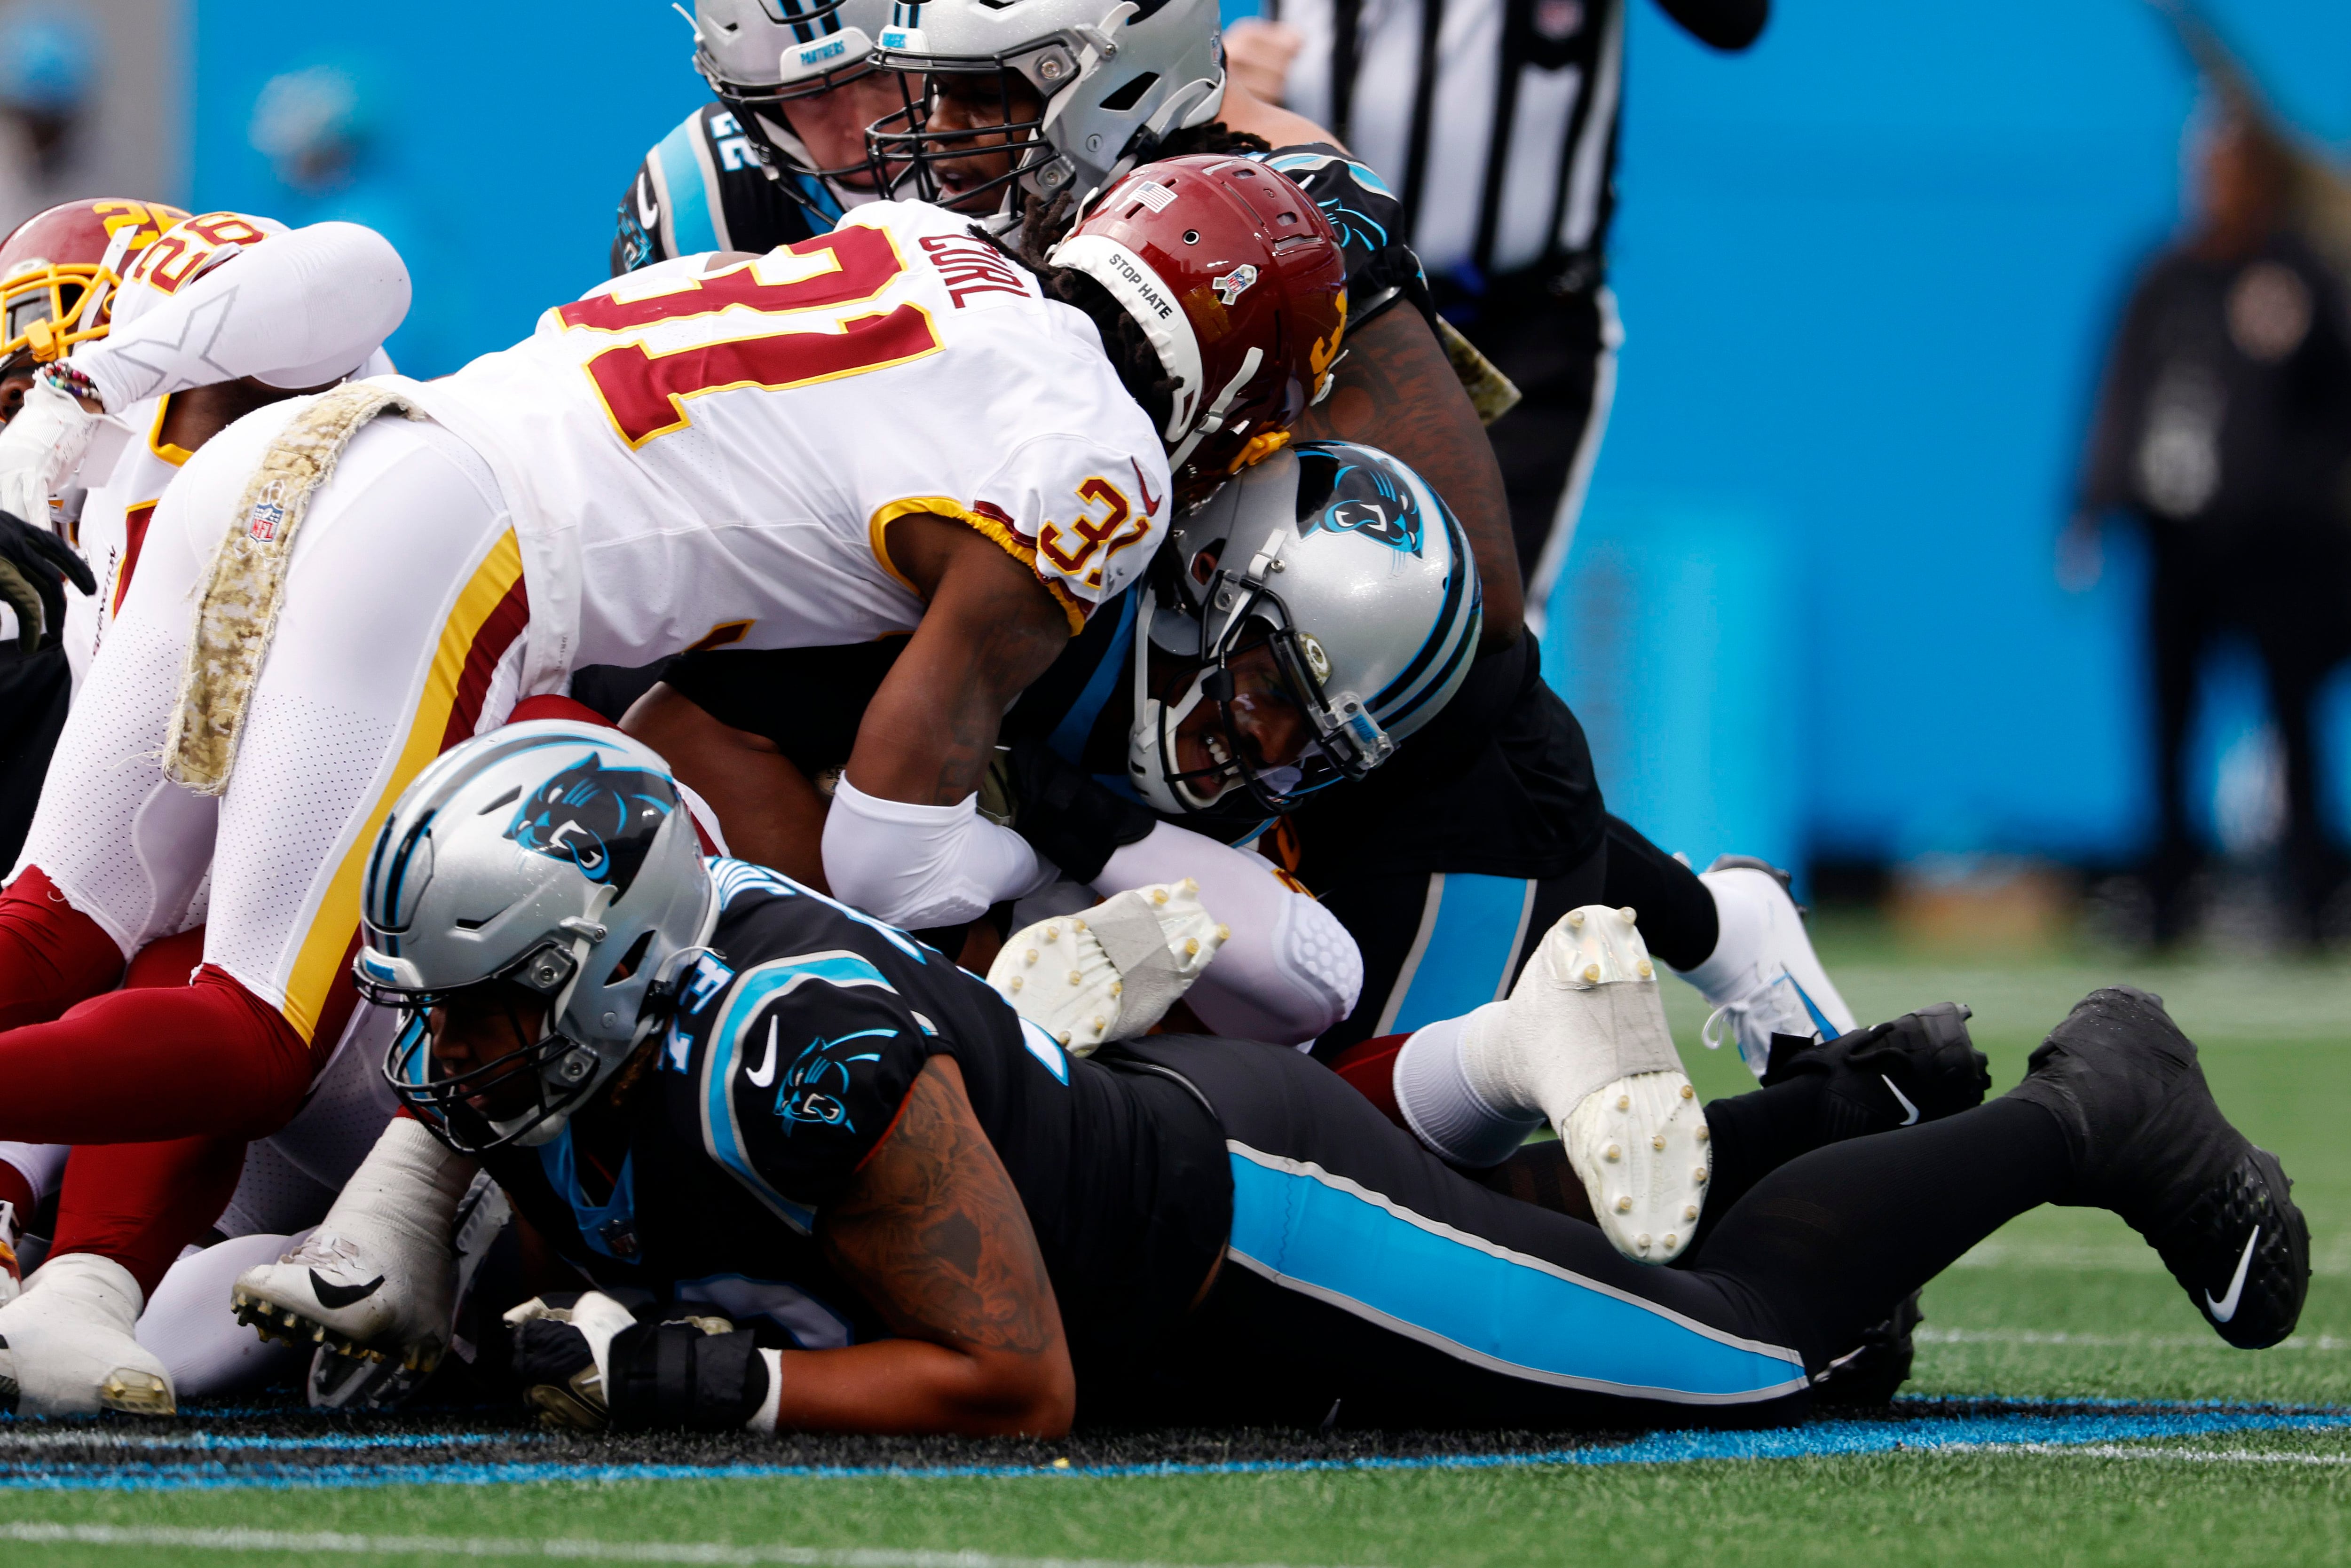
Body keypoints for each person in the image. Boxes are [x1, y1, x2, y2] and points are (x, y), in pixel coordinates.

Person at [0, 161, 1347, 1415]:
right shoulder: (1099, 460)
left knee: (59, 922)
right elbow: (885, 849)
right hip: (457, 539)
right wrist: (1038, 871)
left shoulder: (941, 250)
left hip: (304, 450)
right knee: (258, 1030)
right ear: (1236, 388)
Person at [217, 723, 2307, 1437]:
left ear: (619, 969)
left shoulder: (788, 1050)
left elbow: (1011, 1382)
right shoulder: (617, 1020)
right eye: (438, 1006)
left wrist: (714, 1383)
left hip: (1253, 1224)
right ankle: (1835, 1109)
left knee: (1754, 1352)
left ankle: (2080, 1103)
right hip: (1162, 1207)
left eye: (488, 1006)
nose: (446, 1049)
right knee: (1651, 1289)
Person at [0, 199, 410, 1296]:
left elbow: (352, 266)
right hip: (199, 1046)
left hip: (378, 984)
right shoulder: (74, 507)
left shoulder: (189, 356)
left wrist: (79, 386)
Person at [1224, 0, 1767, 627]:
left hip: (1520, 333)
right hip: (1327, 318)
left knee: (1481, 631)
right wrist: (1230, 87)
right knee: (1275, 610)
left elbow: (1735, 20)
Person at [2067, 102, 2351, 948]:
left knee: (2292, 718)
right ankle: (2167, 891)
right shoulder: (2166, 274)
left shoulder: (2297, 275)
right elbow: (2122, 392)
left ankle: (2314, 895)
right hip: (2175, 537)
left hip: (2277, 546)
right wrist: (2092, 502)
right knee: (2167, 719)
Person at [612, 0, 908, 273]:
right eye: (814, 94)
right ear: (763, 108)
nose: (866, 128)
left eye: (882, 73)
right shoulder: (700, 196)